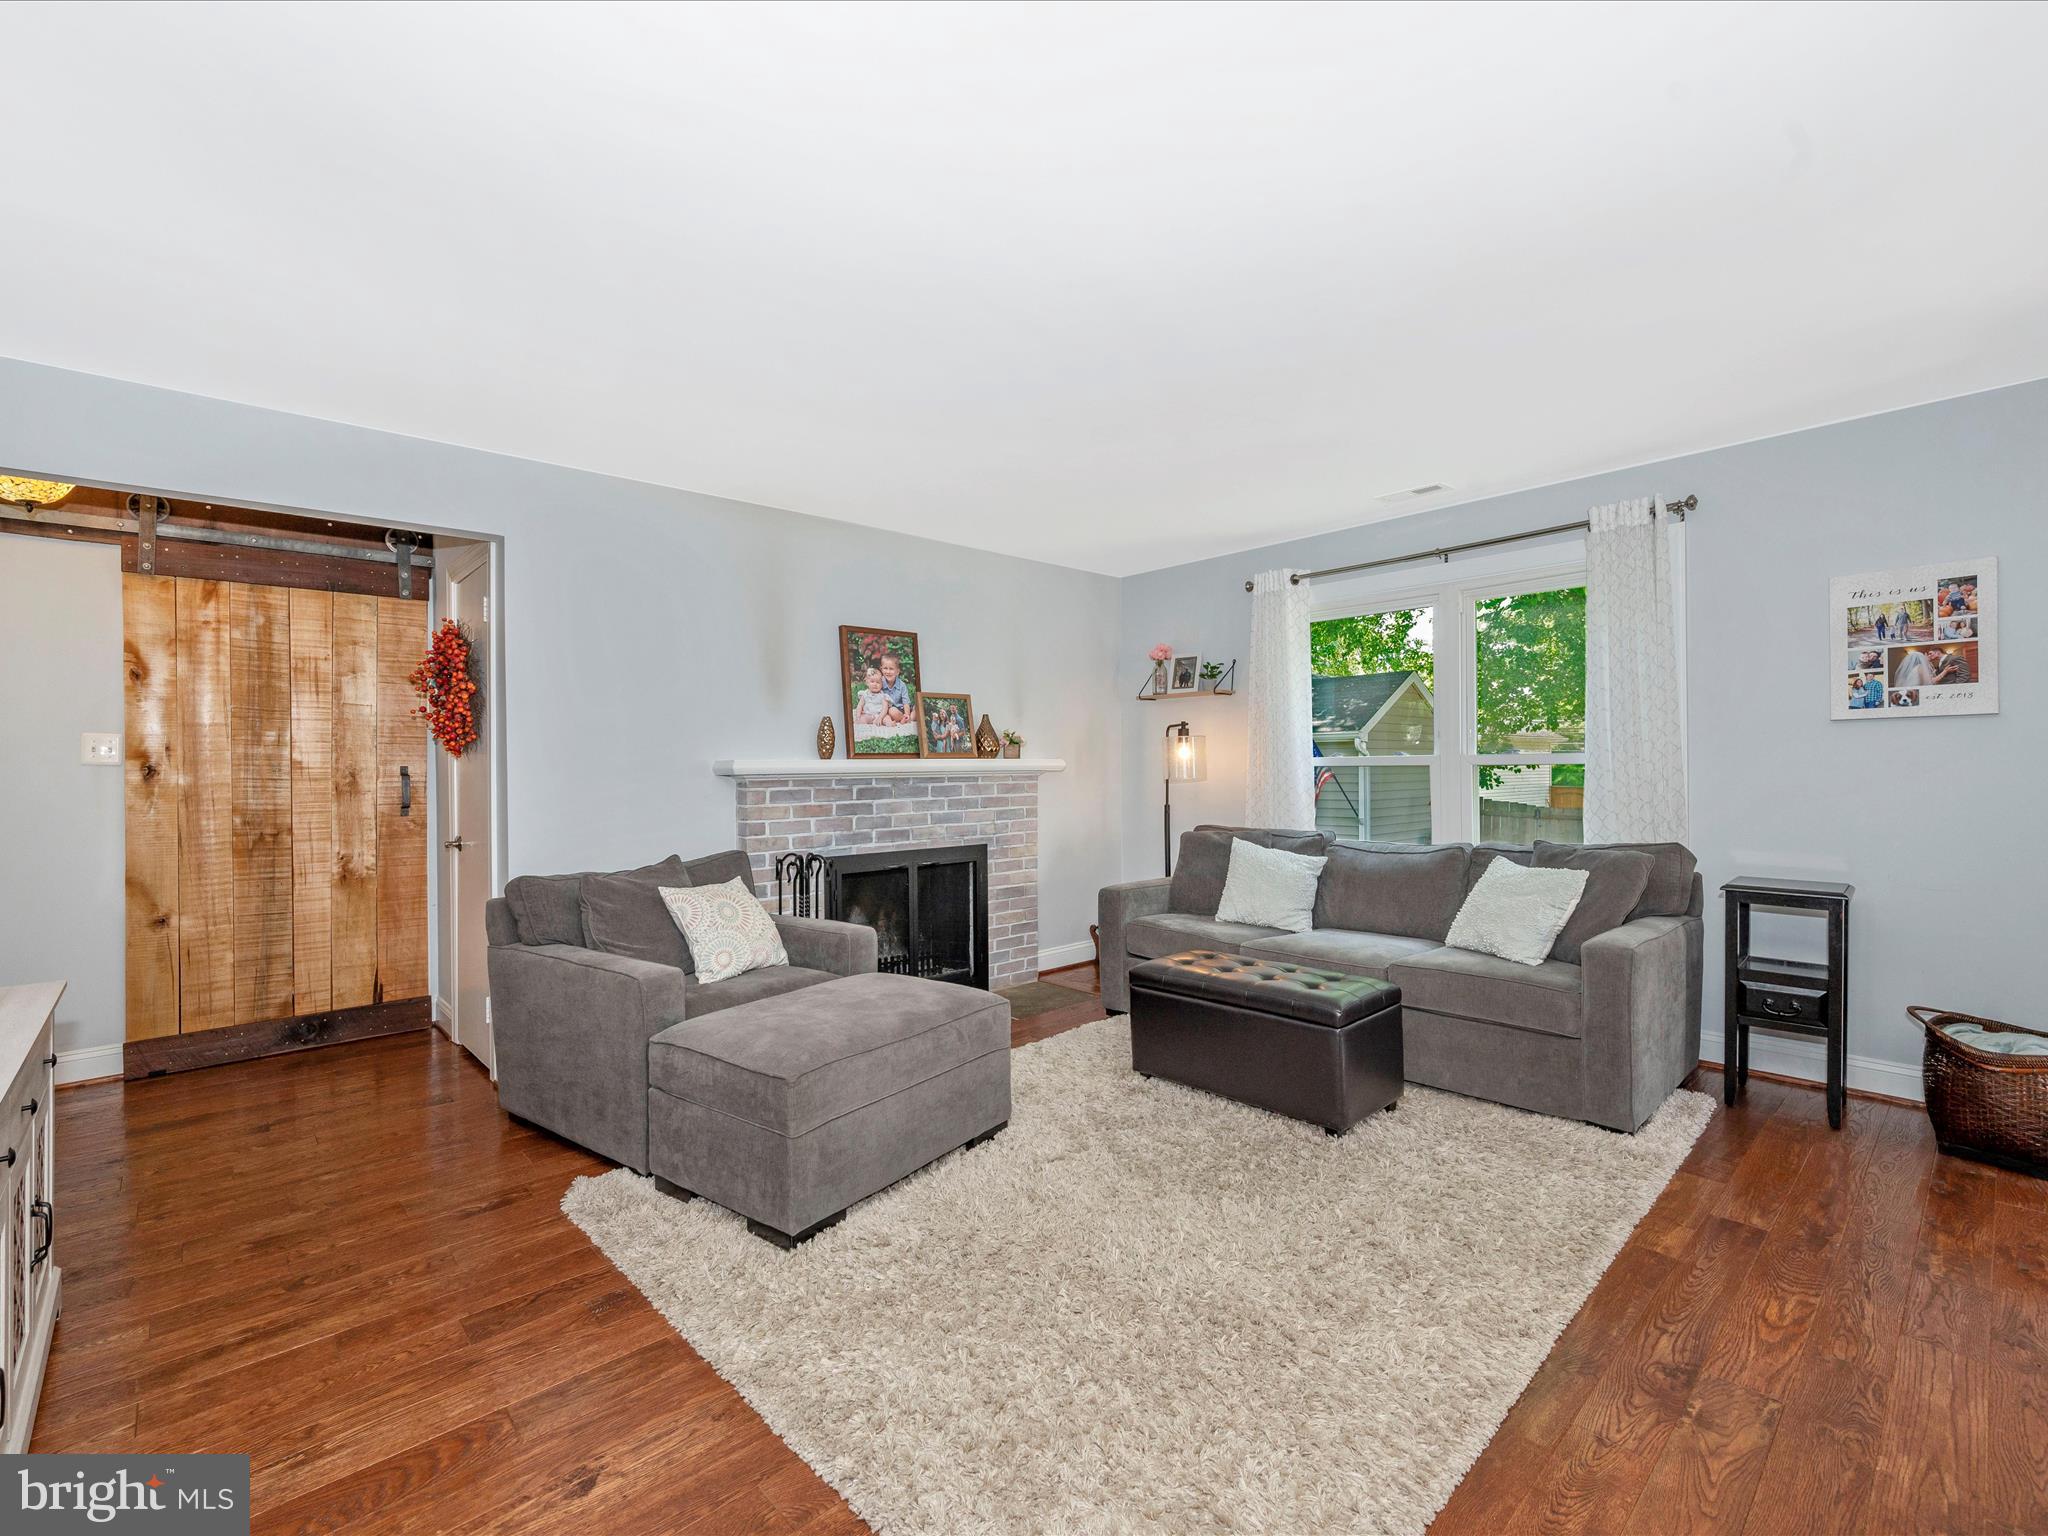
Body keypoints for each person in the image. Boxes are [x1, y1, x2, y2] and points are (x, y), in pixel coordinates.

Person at [877, 654, 914, 723]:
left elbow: (905, 702)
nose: (888, 672)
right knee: (890, 711)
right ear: (881, 669)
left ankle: (906, 717)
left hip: (900, 709)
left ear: (897, 672)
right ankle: (905, 718)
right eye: (885, 668)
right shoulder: (879, 682)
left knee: (894, 711)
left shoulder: (902, 685)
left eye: (891, 669)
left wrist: (907, 714)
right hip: (885, 710)